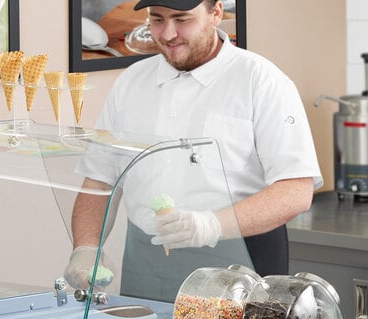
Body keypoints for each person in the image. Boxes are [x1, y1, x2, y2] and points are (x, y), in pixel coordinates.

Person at [64, 0, 322, 302]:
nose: (169, 34)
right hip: (147, 261)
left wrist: (211, 224)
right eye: (157, 20)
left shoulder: (261, 80)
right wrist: (86, 249)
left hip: (239, 260)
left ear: (216, 13)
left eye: (182, 20)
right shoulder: (131, 82)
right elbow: (99, 180)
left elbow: (296, 190)